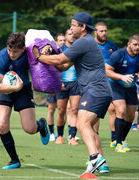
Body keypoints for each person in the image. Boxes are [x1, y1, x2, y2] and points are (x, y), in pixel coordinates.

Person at [33, 12, 112, 174]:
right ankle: (102, 163)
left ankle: (95, 157)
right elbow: (63, 66)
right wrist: (51, 56)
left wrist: (39, 57)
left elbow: (60, 60)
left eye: (74, 24)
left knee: (82, 123)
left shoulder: (84, 42)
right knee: (89, 127)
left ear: (83, 27)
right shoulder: (85, 43)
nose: (71, 27)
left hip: (95, 90)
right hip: (101, 91)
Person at [0, 32, 50, 169]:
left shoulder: (30, 52)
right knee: (2, 125)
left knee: (30, 128)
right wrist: (12, 88)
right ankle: (14, 160)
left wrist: (48, 49)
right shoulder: (1, 57)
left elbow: (48, 49)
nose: (11, 54)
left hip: (23, 89)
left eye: (15, 51)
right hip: (3, 90)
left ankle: (41, 125)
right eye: (9, 50)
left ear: (23, 48)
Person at [106, 34, 139, 153]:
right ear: (129, 44)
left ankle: (122, 140)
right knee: (120, 110)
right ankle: (118, 143)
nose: (137, 47)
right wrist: (122, 77)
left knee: (130, 116)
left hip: (130, 87)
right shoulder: (118, 54)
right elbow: (107, 70)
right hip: (115, 85)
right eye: (135, 44)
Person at [94, 21, 118, 149]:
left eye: (105, 31)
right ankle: (94, 135)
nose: (104, 33)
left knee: (113, 109)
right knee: (96, 111)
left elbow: (118, 62)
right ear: (95, 32)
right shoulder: (91, 45)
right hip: (96, 83)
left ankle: (114, 138)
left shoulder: (112, 46)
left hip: (112, 82)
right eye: (101, 31)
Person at [55, 29, 81, 145]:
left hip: (76, 83)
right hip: (62, 84)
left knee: (74, 110)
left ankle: (72, 137)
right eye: (69, 34)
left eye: (73, 34)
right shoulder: (60, 50)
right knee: (61, 111)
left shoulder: (79, 49)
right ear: (65, 37)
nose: (72, 36)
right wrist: (58, 81)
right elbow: (54, 68)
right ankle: (60, 135)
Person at [47, 33, 65, 141]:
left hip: (62, 85)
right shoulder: (51, 53)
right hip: (52, 85)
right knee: (51, 109)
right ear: (56, 42)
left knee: (62, 110)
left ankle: (61, 134)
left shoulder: (67, 53)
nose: (62, 42)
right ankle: (51, 133)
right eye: (60, 40)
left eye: (64, 40)